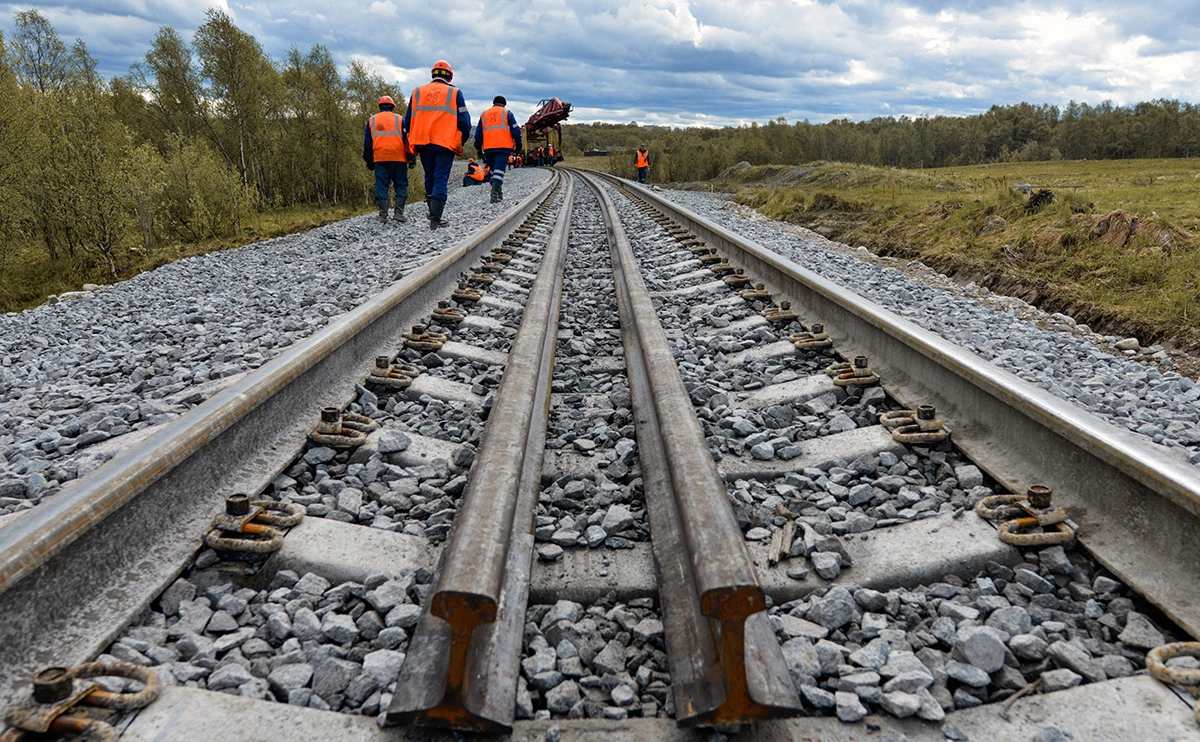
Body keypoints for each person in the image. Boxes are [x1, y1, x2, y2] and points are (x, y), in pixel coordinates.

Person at [404, 60, 470, 229]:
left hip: (423, 142)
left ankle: (432, 211)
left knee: (429, 177)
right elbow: (464, 123)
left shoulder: (417, 92)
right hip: (445, 144)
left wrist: (413, 142)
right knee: (440, 178)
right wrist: (459, 142)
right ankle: (435, 218)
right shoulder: (455, 93)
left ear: (433, 74)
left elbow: (408, 122)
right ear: (450, 76)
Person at [363, 95, 412, 223]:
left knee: (381, 185)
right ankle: (399, 213)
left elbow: (367, 144)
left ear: (380, 107)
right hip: (399, 158)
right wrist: (411, 158)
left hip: (380, 158)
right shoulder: (400, 119)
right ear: (393, 107)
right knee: (401, 184)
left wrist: (369, 161)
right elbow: (407, 141)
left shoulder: (372, 120)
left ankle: (383, 215)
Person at [474, 95, 522, 202]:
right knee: (499, 171)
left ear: (493, 103)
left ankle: (498, 192)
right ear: (504, 104)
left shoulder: (484, 114)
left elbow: (478, 134)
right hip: (503, 147)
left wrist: (478, 147)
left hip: (488, 148)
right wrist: (519, 145)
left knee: (493, 170)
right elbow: (516, 131)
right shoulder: (507, 113)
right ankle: (494, 195)